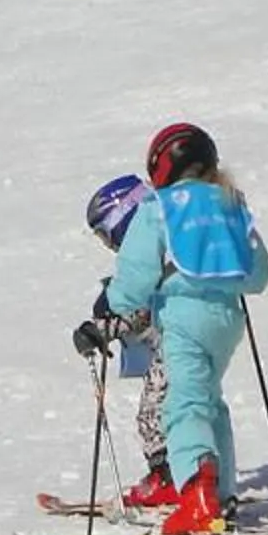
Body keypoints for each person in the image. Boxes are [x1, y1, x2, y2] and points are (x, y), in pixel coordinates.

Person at [97, 123, 268, 535]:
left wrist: (117, 304)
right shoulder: (231, 202)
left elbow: (138, 269)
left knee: (182, 406)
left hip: (182, 316)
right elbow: (260, 273)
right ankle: (223, 493)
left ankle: (197, 494)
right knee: (210, 401)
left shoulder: (160, 206)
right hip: (228, 321)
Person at [70, 173, 175, 511]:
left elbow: (143, 309)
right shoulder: (165, 238)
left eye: (105, 234)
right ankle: (195, 476)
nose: (109, 244)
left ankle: (170, 478)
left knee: (154, 414)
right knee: (187, 409)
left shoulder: (149, 249)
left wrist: (104, 324)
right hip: (196, 332)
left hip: (179, 338)